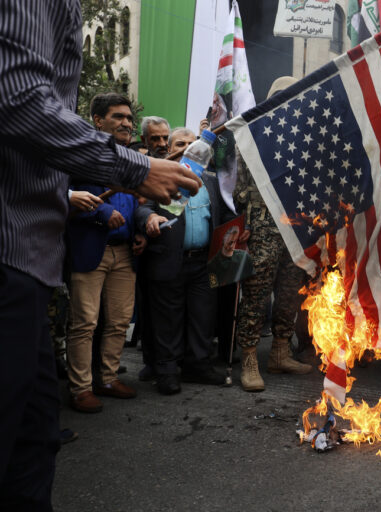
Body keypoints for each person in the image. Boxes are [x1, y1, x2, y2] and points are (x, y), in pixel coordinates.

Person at [0, 1, 199, 507]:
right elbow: (19, 98)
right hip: (12, 254)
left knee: (35, 439)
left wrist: (140, 206)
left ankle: (102, 379)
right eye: (124, 122)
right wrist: (135, 169)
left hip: (31, 259)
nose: (132, 130)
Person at [66, 93, 148, 413]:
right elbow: (63, 197)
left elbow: (135, 204)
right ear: (98, 121)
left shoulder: (129, 157)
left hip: (125, 253)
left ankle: (108, 378)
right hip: (90, 250)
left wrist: (139, 230)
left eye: (129, 118)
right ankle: (81, 388)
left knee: (118, 321)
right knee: (85, 323)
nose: (127, 123)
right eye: (118, 117)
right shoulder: (80, 154)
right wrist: (101, 213)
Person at [235, 76, 312, 393]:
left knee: (290, 292)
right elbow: (241, 188)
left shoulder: (304, 138)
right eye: (280, 97)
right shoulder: (253, 135)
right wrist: (247, 223)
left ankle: (281, 350)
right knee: (255, 294)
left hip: (295, 229)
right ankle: (249, 359)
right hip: (263, 226)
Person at [137, 157, 236, 395]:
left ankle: (198, 365)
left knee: (203, 316)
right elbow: (142, 207)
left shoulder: (211, 182)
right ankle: (168, 371)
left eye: (193, 146)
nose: (190, 152)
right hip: (169, 259)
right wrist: (149, 218)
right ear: (172, 151)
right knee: (168, 320)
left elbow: (224, 213)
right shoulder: (160, 177)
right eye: (181, 146)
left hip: (204, 262)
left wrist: (235, 230)